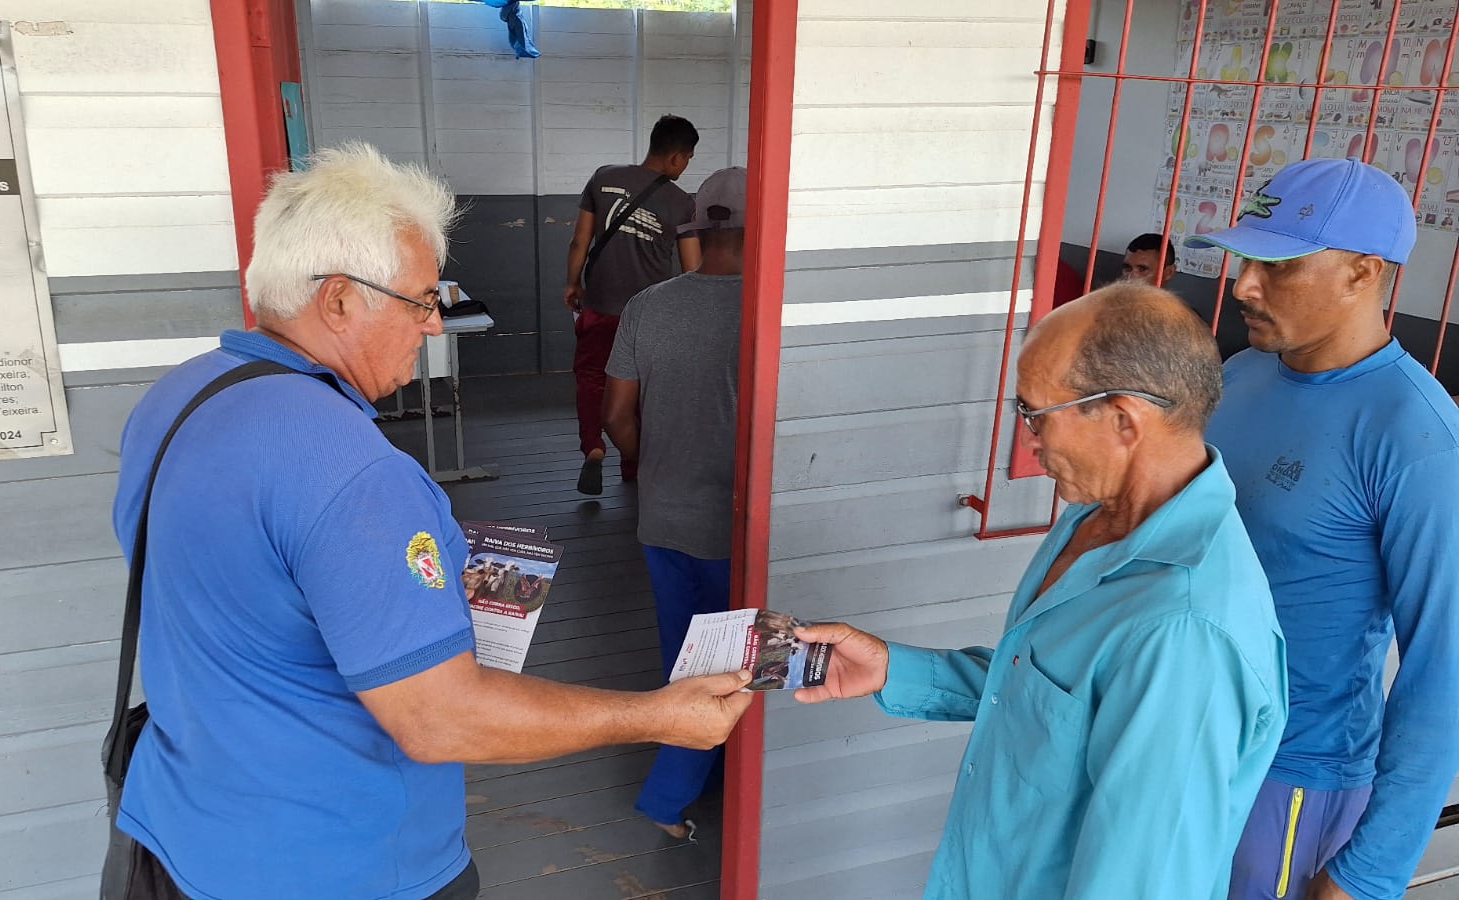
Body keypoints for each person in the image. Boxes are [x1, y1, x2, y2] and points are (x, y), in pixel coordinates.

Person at [105, 143, 753, 900]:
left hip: (183, 834)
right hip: (340, 868)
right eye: (421, 300)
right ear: (340, 299)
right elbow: (441, 720)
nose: (434, 327)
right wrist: (659, 716)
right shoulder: (355, 473)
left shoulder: (181, 397)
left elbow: (249, 584)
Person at [794, 284, 1288, 899]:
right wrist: (896, 670)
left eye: (1035, 415)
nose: (1027, 441)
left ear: (1123, 420)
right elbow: (1039, 690)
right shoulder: (1095, 517)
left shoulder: (1184, 630)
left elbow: (1143, 884)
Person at [1187, 158, 1459, 900]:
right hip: (1183, 745)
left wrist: (1368, 873)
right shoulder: (1243, 375)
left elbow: (1444, 674)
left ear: (1362, 272)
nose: (1243, 284)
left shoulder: (1418, 438)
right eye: (1246, 259)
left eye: (1279, 266)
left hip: (1291, 778)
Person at [602, 166, 746, 838]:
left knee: (683, 654)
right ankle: (667, 799)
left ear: (696, 227)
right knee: (731, 666)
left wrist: (653, 465)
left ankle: (704, 764)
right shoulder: (767, 313)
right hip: (735, 528)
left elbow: (616, 416)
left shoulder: (647, 306)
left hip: (661, 516)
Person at [564, 114, 701, 496]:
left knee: (592, 380)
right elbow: (692, 269)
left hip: (599, 307)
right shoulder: (682, 203)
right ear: (677, 157)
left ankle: (593, 447)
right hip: (649, 316)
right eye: (687, 159)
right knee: (641, 389)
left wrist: (573, 282)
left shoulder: (603, 176)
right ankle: (634, 465)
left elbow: (580, 241)